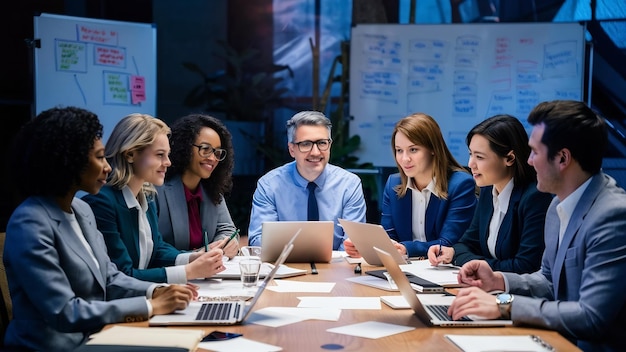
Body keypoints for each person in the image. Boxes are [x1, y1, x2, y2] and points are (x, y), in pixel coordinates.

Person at [3, 107, 195, 351]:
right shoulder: (29, 222)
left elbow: (110, 277)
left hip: (97, 337)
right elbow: (64, 311)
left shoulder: (81, 210)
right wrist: (151, 306)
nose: (107, 167)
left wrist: (157, 291)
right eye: (100, 157)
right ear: (68, 159)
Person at [448, 100, 626, 351]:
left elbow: (591, 317)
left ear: (563, 158)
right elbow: (548, 281)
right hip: (552, 337)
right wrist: (499, 281)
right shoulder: (557, 207)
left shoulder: (613, 215)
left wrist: (504, 305)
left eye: (535, 152)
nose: (528, 161)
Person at [83, 113, 225, 284]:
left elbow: (157, 249)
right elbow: (122, 275)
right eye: (160, 155)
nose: (168, 162)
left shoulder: (146, 197)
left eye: (168, 154)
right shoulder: (102, 202)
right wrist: (188, 271)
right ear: (130, 154)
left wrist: (194, 257)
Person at [427, 115, 552, 273]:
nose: (471, 164)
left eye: (479, 157)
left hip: (513, 294)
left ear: (509, 158)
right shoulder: (488, 191)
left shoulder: (535, 197)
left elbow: (524, 267)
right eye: (471, 154)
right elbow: (463, 245)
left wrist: (470, 262)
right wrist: (452, 253)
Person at [345, 113, 477, 258]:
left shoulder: (460, 184)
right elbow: (389, 237)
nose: (404, 158)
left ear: (433, 148)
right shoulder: (393, 184)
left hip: (444, 272)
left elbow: (447, 242)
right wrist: (367, 246)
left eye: (413, 150)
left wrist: (406, 248)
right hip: (404, 269)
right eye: (399, 150)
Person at [247, 111, 367, 250]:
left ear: (330, 145)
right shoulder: (270, 185)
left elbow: (352, 244)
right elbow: (258, 240)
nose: (315, 152)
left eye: (322, 143)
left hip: (337, 267)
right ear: (292, 149)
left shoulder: (349, 185)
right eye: (305, 144)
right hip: (285, 267)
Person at [156, 114, 239, 258]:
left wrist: (220, 247)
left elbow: (228, 230)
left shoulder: (212, 190)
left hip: (208, 275)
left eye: (217, 152)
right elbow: (155, 248)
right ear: (185, 146)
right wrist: (197, 256)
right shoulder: (157, 189)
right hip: (172, 275)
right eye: (205, 149)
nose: (212, 158)